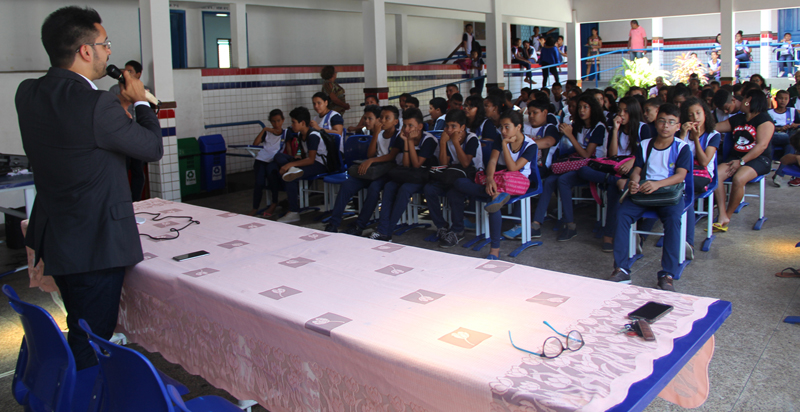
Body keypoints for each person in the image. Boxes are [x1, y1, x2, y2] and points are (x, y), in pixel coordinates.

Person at [16, 6, 163, 369]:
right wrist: (141, 101)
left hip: (58, 236)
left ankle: (75, 384)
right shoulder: (97, 104)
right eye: (105, 44)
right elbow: (151, 148)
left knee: (78, 322)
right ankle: (83, 391)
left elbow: (81, 141)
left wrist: (120, 110)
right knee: (91, 339)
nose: (109, 52)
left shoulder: (28, 93)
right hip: (95, 244)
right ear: (85, 50)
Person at [607, 103, 692, 292]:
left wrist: (658, 184)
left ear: (678, 126)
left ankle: (667, 274)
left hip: (669, 194)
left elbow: (680, 176)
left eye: (671, 122)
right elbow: (637, 169)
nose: (665, 126)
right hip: (644, 193)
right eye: (662, 121)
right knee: (622, 215)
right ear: (656, 123)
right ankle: (621, 268)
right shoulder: (645, 145)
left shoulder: (682, 147)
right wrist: (634, 182)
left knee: (673, 220)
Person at [450, 110, 537, 258]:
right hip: (498, 179)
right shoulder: (499, 137)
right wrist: (490, 179)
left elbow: (513, 168)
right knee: (459, 183)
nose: (503, 131)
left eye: (507, 127)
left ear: (518, 127)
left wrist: (504, 144)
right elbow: (492, 161)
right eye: (501, 127)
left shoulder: (530, 145)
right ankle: (495, 193)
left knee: (494, 201)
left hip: (516, 182)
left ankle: (494, 249)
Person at [532, 94, 606, 241]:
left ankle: (570, 225)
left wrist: (570, 135)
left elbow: (587, 154)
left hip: (591, 167)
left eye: (586, 107)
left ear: (593, 109)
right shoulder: (579, 125)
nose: (581, 110)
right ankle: (536, 223)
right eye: (580, 107)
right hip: (576, 163)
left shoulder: (599, 127)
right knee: (549, 180)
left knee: (563, 180)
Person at [325, 106, 403, 235]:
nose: (383, 121)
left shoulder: (399, 135)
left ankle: (359, 225)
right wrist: (375, 134)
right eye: (381, 118)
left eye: (387, 118)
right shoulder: (379, 134)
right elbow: (370, 154)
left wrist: (370, 161)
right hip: (374, 170)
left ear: (395, 121)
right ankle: (334, 222)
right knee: (347, 184)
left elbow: (391, 156)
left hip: (388, 172)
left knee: (374, 188)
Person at [367, 108, 439, 241]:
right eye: (405, 125)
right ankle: (383, 229)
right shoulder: (404, 137)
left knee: (404, 189)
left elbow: (417, 165)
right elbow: (406, 165)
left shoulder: (429, 140)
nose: (406, 129)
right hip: (409, 175)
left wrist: (409, 142)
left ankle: (387, 232)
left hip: (425, 177)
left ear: (420, 127)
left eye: (411, 125)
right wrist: (406, 142)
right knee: (389, 186)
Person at [712, 89, 774, 230]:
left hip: (759, 159)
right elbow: (715, 128)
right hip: (736, 158)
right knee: (716, 175)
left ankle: (728, 215)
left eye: (744, 98)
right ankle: (722, 214)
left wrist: (741, 162)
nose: (741, 101)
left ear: (749, 100)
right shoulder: (738, 118)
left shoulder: (765, 120)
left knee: (739, 178)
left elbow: (761, 146)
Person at [423, 109, 482, 247]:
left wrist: (455, 142)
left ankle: (457, 230)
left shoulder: (471, 138)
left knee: (454, 192)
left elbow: (466, 163)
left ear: (462, 127)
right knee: (429, 189)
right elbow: (444, 163)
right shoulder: (448, 139)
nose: (449, 130)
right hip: (453, 174)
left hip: (471, 176)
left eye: (453, 126)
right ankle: (441, 226)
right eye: (447, 126)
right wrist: (443, 143)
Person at [272, 107, 330, 223]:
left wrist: (289, 165)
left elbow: (311, 160)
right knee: (278, 156)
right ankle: (293, 170)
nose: (292, 125)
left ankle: (293, 212)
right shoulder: (300, 134)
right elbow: (301, 151)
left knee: (290, 178)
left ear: (302, 123)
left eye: (294, 122)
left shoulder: (313, 135)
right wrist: (297, 157)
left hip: (319, 164)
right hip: (307, 160)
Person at [108, 60, 149, 201]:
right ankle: (124, 201)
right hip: (122, 136)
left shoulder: (144, 90)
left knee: (138, 170)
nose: (126, 74)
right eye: (125, 70)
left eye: (130, 71)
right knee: (122, 170)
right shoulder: (114, 90)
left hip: (138, 136)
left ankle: (137, 200)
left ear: (139, 74)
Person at [250, 109, 287, 217]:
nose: (276, 124)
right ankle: (255, 208)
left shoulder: (285, 133)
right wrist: (264, 129)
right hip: (261, 160)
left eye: (278, 121)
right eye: (273, 121)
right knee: (259, 183)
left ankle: (274, 203)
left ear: (283, 120)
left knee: (272, 179)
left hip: (274, 160)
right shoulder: (267, 132)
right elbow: (255, 143)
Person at [768, 90, 800, 187]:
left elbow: (799, 123)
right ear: (775, 99)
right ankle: (776, 172)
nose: (783, 101)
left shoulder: (792, 111)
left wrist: (795, 125)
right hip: (773, 136)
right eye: (781, 98)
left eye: (786, 99)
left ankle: (779, 174)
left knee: (790, 146)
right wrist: (779, 128)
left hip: (788, 136)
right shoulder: (769, 113)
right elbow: (766, 127)